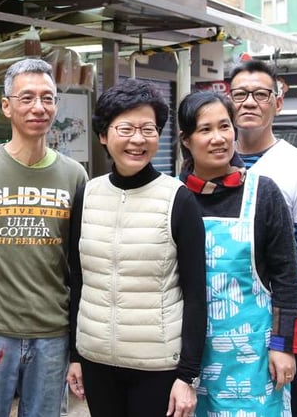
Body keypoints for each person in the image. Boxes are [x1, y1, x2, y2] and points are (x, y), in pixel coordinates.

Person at [0, 58, 88, 417]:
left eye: (47, 97)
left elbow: (80, 261)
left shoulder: (74, 176)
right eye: (26, 98)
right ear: (6, 106)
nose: (38, 107)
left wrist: (77, 347)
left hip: (52, 334)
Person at [66, 80, 206, 417]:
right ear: (103, 135)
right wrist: (75, 355)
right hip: (97, 359)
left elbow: (195, 294)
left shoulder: (179, 199)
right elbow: (78, 281)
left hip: (157, 365)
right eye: (126, 128)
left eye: (148, 129)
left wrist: (187, 375)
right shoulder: (88, 195)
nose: (138, 139)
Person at [176, 90, 297, 417]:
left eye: (225, 127)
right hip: (187, 357)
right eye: (205, 130)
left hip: (253, 360)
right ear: (186, 140)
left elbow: (287, 279)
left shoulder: (264, 192)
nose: (218, 138)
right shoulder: (172, 196)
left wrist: (284, 347)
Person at [229, 59, 297, 417]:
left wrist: (293, 335)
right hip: (220, 323)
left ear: (278, 102)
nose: (250, 102)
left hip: (275, 322)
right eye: (240, 94)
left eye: (260, 94)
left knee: (283, 401)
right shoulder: (207, 161)